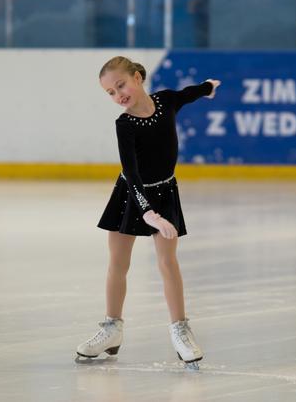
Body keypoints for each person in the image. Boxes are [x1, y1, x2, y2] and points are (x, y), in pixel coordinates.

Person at [75, 56, 220, 369]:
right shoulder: (124, 125)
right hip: (131, 193)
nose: (118, 95)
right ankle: (112, 328)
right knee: (118, 262)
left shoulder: (166, 101)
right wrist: (147, 212)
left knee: (168, 262)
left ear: (138, 77)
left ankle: (180, 329)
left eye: (121, 85)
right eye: (110, 93)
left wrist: (207, 88)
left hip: (164, 190)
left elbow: (186, 94)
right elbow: (131, 171)